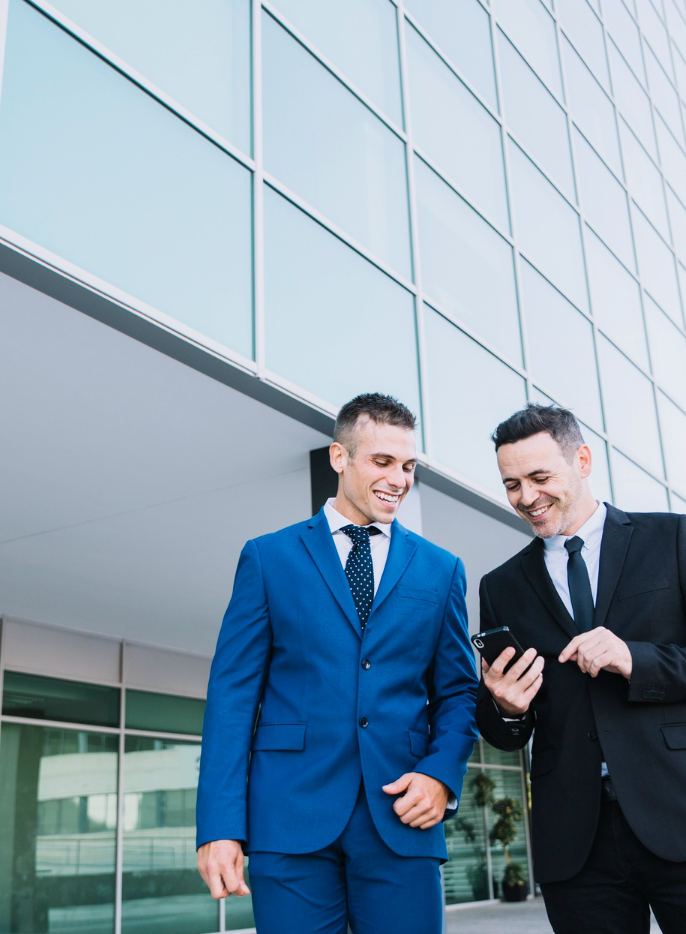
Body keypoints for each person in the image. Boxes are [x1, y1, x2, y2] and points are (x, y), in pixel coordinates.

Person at [476, 404, 686, 934]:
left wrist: (637, 659)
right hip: (577, 841)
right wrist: (505, 707)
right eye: (512, 483)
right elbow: (504, 733)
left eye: (540, 477)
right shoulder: (501, 587)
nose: (526, 497)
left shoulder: (671, 539)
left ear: (582, 460)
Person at [195, 393, 479, 934]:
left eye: (408, 466)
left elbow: (460, 692)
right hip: (288, 817)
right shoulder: (268, 557)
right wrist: (220, 826)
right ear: (338, 457)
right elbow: (233, 698)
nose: (399, 478)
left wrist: (441, 775)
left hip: (402, 814)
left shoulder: (442, 570)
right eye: (382, 461)